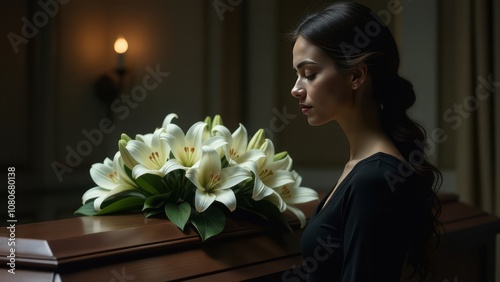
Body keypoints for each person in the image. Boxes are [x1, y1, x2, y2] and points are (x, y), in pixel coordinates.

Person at [289, 2, 442, 281]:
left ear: (357, 75)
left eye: (309, 74)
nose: (296, 89)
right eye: (298, 75)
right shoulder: (361, 168)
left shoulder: (375, 178)